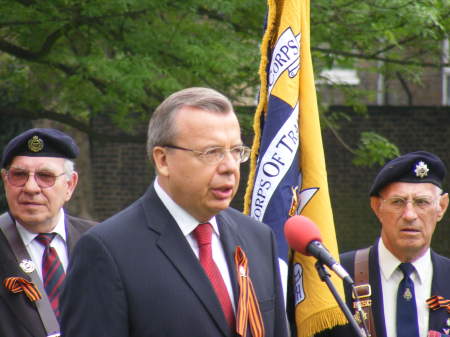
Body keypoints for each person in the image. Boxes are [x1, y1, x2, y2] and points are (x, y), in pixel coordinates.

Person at [60, 87, 289, 337]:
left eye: (236, 151)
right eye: (212, 152)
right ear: (163, 160)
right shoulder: (107, 251)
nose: (230, 167)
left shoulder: (258, 238)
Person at [327, 151, 450, 337]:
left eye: (422, 202)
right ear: (377, 207)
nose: (409, 215)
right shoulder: (336, 277)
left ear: (441, 207)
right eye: (398, 202)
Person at [0, 128, 95, 337]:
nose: (31, 187)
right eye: (19, 175)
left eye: (45, 176)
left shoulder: (101, 242)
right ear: (5, 181)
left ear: (70, 185)